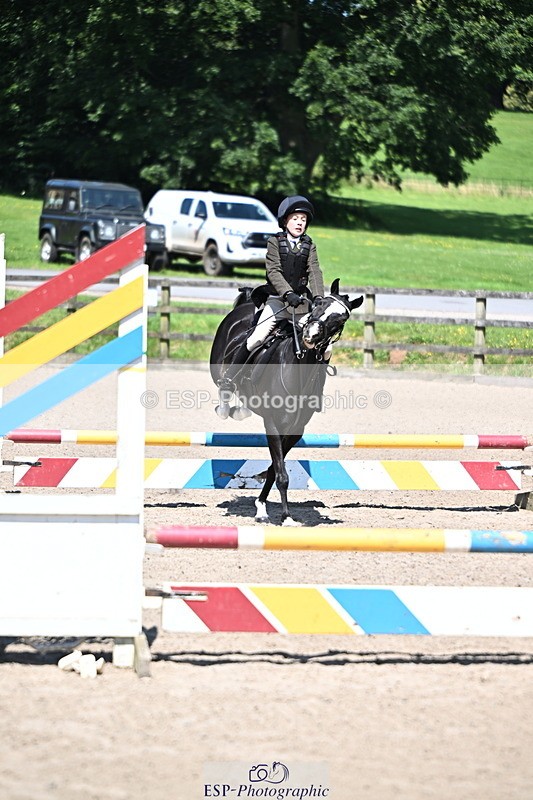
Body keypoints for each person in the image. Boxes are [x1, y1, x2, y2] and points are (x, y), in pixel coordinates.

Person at [218, 194, 325, 390]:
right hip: (276, 301)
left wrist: (318, 297)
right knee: (257, 337)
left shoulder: (310, 245)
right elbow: (273, 271)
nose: (299, 223)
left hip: (300, 306)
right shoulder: (274, 242)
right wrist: (287, 293)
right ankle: (230, 378)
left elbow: (314, 271)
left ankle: (316, 389)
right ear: (285, 221)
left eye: (303, 219)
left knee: (321, 343)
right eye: (295, 219)